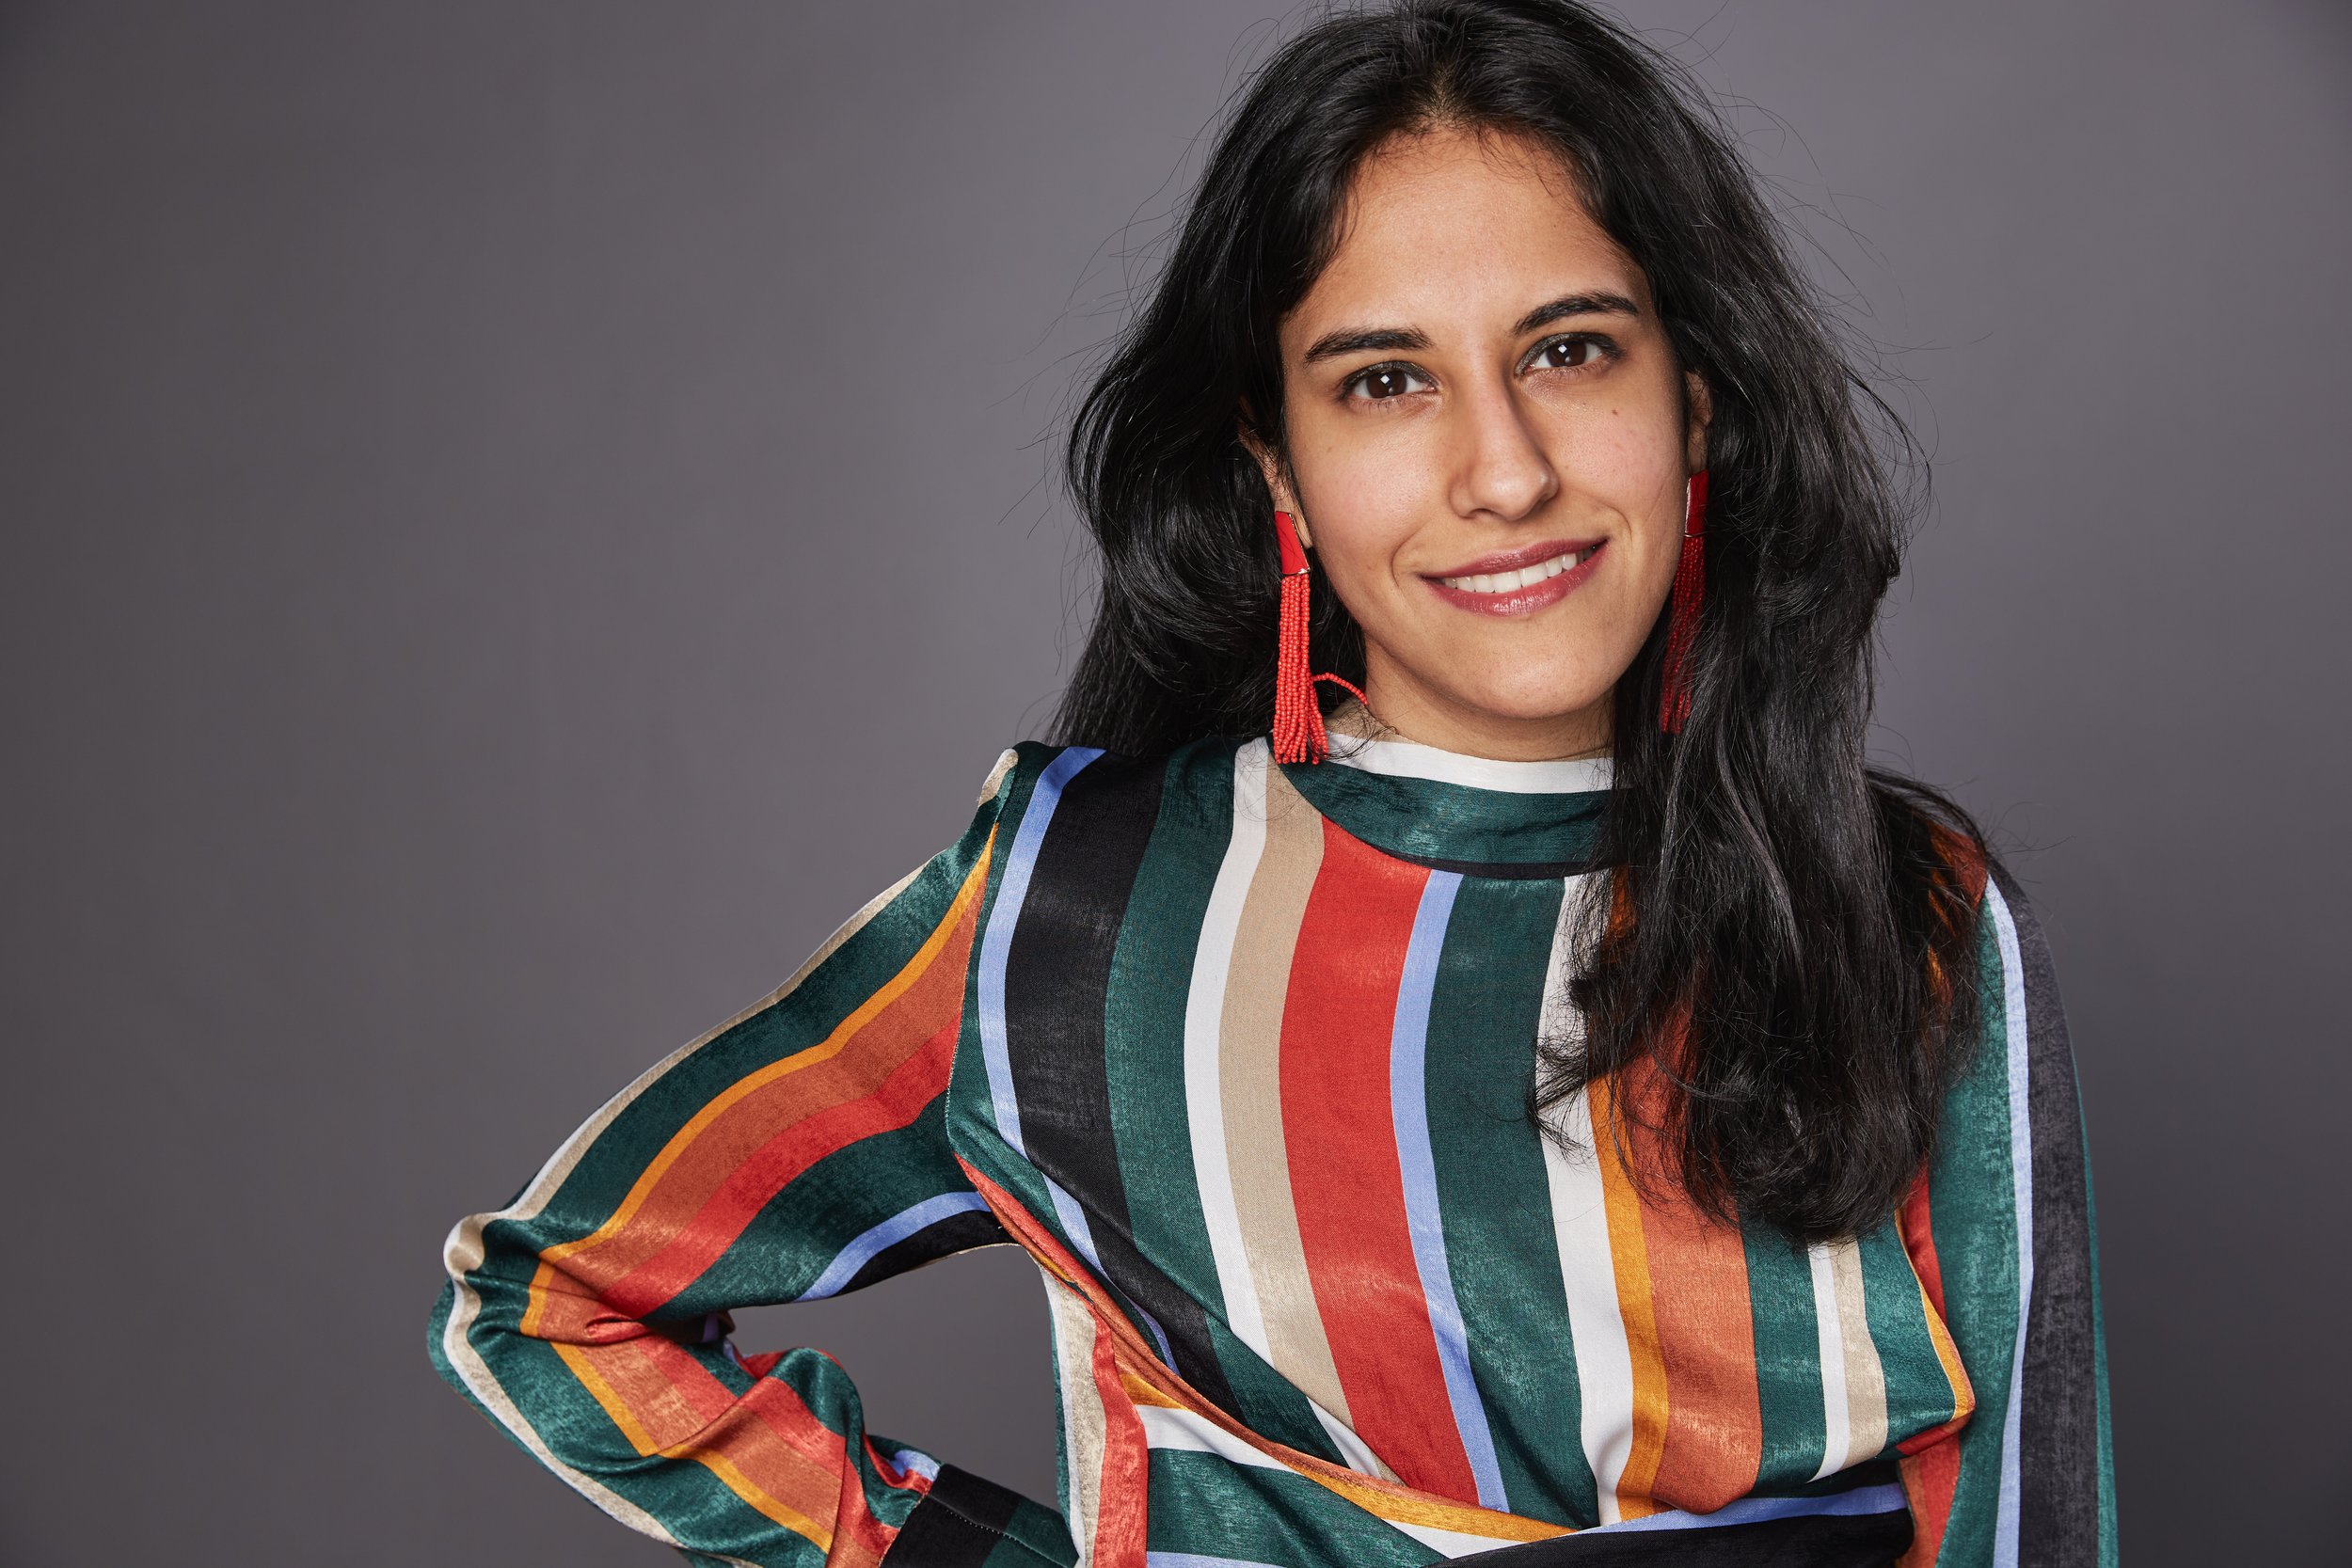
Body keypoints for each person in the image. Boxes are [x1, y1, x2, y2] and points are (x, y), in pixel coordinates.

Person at [426, 3, 2116, 1564]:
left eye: (1570, 351)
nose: (1505, 470)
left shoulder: (1910, 915)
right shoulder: (1073, 915)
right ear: (1277, 467)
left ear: (1699, 399)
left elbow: (2030, 1523)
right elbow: (555, 1295)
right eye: (1387, 381)